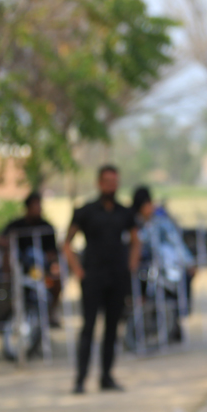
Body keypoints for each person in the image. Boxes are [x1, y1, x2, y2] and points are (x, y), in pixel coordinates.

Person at [63, 164, 140, 393]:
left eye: (114, 182)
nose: (111, 186)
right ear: (99, 183)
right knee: (88, 328)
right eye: (107, 182)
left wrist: (130, 266)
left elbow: (136, 241)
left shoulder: (125, 212)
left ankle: (106, 376)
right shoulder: (85, 211)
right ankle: (80, 379)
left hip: (117, 277)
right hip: (93, 277)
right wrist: (78, 270)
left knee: (112, 328)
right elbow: (67, 243)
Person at [130, 186, 192, 342]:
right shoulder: (135, 224)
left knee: (171, 300)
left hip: (166, 270)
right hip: (146, 272)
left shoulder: (161, 222)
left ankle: (173, 330)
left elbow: (176, 243)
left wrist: (188, 261)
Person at [2, 191, 62, 327]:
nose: (38, 209)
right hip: (20, 267)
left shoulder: (46, 227)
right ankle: (10, 309)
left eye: (40, 205)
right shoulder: (16, 226)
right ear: (28, 207)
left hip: (41, 268)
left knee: (57, 278)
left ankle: (51, 312)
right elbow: (2, 239)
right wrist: (9, 244)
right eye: (35, 205)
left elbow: (52, 252)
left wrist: (52, 264)